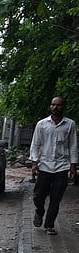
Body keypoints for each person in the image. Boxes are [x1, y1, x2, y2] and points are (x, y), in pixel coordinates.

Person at [30, 96, 78, 235]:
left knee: (56, 198)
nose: (55, 107)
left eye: (59, 105)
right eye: (53, 105)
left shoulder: (70, 124)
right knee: (38, 196)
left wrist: (73, 166)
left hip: (62, 167)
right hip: (44, 166)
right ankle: (39, 211)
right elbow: (35, 144)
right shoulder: (42, 124)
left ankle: (49, 225)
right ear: (50, 106)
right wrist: (34, 163)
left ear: (64, 107)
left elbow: (73, 145)